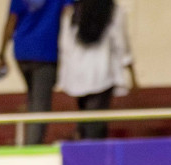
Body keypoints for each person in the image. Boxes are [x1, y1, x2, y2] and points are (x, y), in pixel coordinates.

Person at [57, 0, 136, 141]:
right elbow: (121, 44)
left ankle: (84, 145)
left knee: (86, 118)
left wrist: (67, 72)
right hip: (102, 73)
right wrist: (131, 72)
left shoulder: (73, 11)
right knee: (96, 123)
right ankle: (92, 154)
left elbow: (65, 45)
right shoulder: (113, 10)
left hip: (77, 75)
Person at [0, 0, 73, 145]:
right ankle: (33, 146)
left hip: (22, 52)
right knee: (41, 104)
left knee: (33, 98)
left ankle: (31, 141)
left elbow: (11, 22)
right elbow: (69, 14)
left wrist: (1, 54)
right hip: (46, 52)